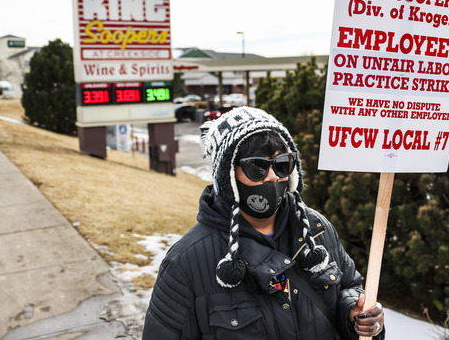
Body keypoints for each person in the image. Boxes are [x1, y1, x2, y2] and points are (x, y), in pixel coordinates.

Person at [143, 107, 386, 339]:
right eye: (256, 167)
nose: (273, 176)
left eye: (282, 164)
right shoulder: (186, 262)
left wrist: (355, 314)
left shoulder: (317, 228)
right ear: (227, 176)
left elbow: (350, 286)